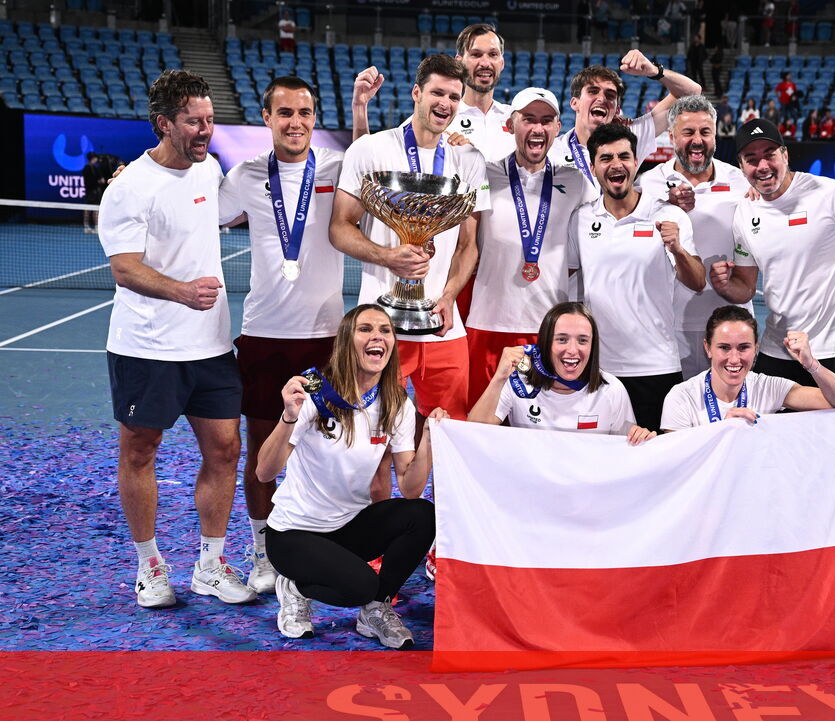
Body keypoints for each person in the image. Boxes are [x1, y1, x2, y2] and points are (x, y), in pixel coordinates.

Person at [216, 73, 379, 594]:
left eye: (304, 112)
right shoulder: (244, 176)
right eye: (285, 113)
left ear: (314, 118)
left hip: (326, 340)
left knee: (334, 450)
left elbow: (367, 164)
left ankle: (329, 540)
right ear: (267, 118)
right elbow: (200, 212)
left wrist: (359, 108)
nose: (295, 122)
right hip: (264, 337)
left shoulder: (334, 166)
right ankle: (264, 551)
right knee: (263, 451)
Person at [99, 69, 254, 608]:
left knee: (225, 450)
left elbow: (229, 211)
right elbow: (124, 268)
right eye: (193, 122)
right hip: (147, 348)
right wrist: (182, 292)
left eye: (209, 120)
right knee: (140, 451)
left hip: (210, 346)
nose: (205, 130)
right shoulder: (129, 187)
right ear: (164, 123)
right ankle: (149, 566)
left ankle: (210, 565)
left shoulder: (209, 168)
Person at [257, 304, 439, 647]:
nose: (377, 337)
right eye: (365, 329)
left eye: (385, 330)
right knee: (359, 586)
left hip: (348, 528)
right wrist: (289, 416)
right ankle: (294, 587)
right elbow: (264, 472)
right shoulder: (313, 391)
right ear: (345, 341)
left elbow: (411, 489)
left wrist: (428, 439)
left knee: (421, 515)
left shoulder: (396, 403)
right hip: (294, 533)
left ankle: (376, 608)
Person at [331, 55, 490, 423]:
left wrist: (449, 296)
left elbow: (468, 245)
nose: (445, 104)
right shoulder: (371, 149)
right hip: (378, 325)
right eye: (437, 93)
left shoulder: (469, 159)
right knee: (372, 434)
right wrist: (387, 257)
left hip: (442, 327)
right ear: (417, 93)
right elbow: (339, 227)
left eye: (454, 97)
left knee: (448, 433)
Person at [567, 122, 705, 431]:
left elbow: (698, 282)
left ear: (635, 163)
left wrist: (678, 249)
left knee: (660, 455)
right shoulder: (581, 219)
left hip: (656, 365)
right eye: (606, 158)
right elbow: (563, 276)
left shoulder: (668, 215)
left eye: (624, 156)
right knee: (600, 455)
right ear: (593, 168)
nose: (616, 164)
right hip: (599, 368)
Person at [465, 88, 591, 407]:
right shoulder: (483, 172)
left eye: (546, 121)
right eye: (529, 119)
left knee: (542, 426)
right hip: (487, 323)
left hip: (549, 329)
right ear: (511, 125)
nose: (538, 128)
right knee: (480, 421)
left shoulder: (576, 181)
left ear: (557, 128)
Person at [710, 118, 835, 386]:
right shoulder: (745, 212)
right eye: (751, 159)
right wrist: (725, 285)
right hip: (776, 349)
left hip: (832, 349)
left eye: (770, 155)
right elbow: (746, 288)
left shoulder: (830, 194)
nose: (762, 166)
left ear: (785, 155)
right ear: (741, 166)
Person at [639, 95, 753, 377]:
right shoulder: (648, 184)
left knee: (734, 403)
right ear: (671, 136)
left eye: (705, 132)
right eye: (688, 132)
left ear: (715, 135)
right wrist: (665, 205)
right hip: (669, 325)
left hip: (732, 323)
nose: (697, 140)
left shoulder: (742, 182)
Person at [469, 301, 655, 445]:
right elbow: (472, 435)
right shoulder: (519, 381)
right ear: (546, 343)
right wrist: (499, 378)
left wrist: (641, 438)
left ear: (593, 346)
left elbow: (625, 452)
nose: (572, 350)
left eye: (582, 340)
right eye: (562, 339)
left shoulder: (611, 389)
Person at [660, 305, 835, 430]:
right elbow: (680, 466)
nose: (734, 359)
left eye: (743, 347)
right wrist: (722, 432)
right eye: (724, 348)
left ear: (756, 349)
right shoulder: (682, 397)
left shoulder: (767, 387)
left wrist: (811, 364)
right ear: (708, 348)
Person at [549, 54, 701, 198]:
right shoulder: (553, 150)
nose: (601, 99)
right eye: (593, 91)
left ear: (616, 110)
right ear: (574, 103)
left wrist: (654, 71)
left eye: (610, 95)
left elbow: (692, 92)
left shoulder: (631, 136)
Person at [449, 23, 515, 162]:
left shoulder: (516, 118)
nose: (485, 63)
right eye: (476, 55)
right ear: (459, 63)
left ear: (502, 63)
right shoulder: (444, 120)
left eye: (493, 54)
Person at [82, 152, 105, 233]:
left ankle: (86, 227)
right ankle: (96, 227)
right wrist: (98, 181)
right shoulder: (94, 168)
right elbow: (102, 181)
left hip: (89, 191)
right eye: (96, 158)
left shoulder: (86, 168)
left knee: (88, 210)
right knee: (95, 210)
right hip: (94, 192)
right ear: (93, 158)